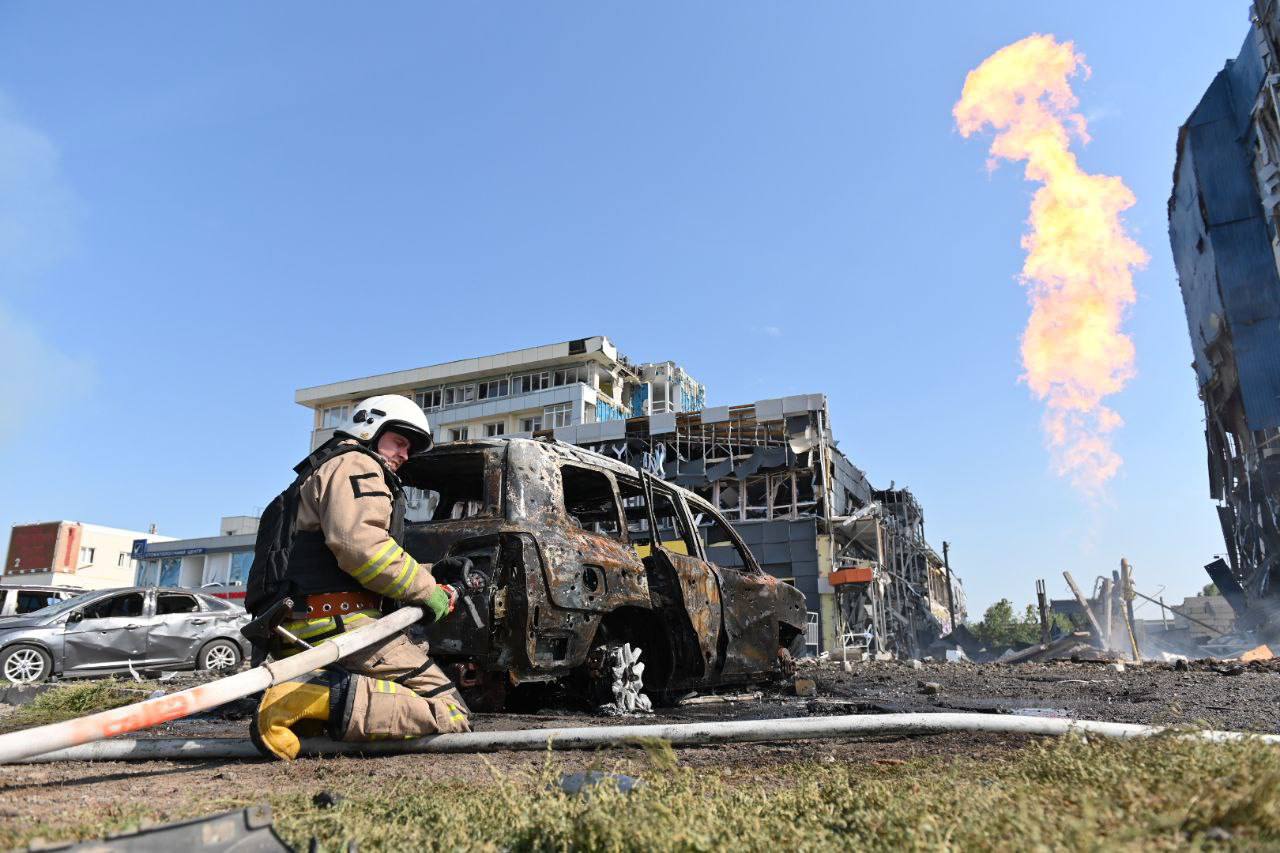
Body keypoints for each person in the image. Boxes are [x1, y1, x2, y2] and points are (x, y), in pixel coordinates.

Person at [244, 393, 471, 760]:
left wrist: (431, 573)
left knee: (366, 707)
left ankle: (308, 702)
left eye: (409, 448)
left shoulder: (325, 468)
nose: (404, 454)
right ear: (370, 428)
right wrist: (430, 591)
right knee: (451, 711)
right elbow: (360, 547)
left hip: (303, 624)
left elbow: (347, 557)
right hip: (342, 628)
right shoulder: (357, 464)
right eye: (399, 441)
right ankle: (308, 695)